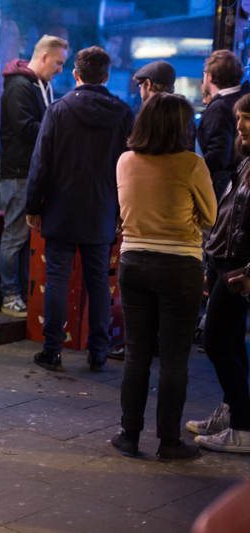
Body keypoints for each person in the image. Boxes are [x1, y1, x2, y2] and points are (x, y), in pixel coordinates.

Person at [110, 93, 217, 461]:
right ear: (182, 127)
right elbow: (211, 217)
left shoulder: (125, 161)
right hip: (180, 266)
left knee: (137, 352)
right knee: (174, 358)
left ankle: (128, 435)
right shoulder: (191, 164)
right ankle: (169, 442)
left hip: (133, 262)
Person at [25, 46, 134, 373]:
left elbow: (41, 162)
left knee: (57, 276)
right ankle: (99, 352)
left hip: (61, 206)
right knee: (99, 280)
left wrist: (34, 206)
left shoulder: (59, 110)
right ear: (107, 76)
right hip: (102, 209)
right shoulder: (124, 114)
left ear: (75, 74)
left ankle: (52, 350)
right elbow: (129, 167)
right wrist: (122, 210)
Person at [187, 93, 250, 454]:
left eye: (247, 119)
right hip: (227, 262)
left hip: (239, 268)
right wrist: (212, 259)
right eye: (239, 118)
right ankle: (233, 413)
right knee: (232, 343)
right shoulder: (244, 164)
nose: (239, 126)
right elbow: (229, 217)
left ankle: (243, 425)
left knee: (216, 344)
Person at [0, 34, 69, 318]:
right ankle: (9, 296)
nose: (60, 69)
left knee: (25, 239)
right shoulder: (18, 86)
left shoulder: (43, 86)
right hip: (18, 173)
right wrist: (59, 131)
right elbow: (26, 128)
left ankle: (19, 294)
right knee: (15, 237)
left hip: (30, 172)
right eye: (59, 63)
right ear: (43, 57)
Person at [197, 50, 250, 199]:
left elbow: (218, 155)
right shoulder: (242, 99)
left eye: (204, 73)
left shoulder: (220, 107)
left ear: (210, 76)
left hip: (219, 189)